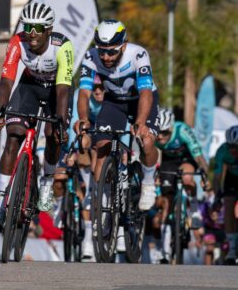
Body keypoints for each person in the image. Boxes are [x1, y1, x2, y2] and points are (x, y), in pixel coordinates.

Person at [0, 2, 73, 231]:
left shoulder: (62, 46)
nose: (32, 33)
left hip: (57, 89)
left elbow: (63, 89)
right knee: (13, 137)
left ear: (48, 29)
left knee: (53, 133)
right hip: (29, 87)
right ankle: (1, 206)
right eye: (28, 27)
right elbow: (6, 80)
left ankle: (46, 180)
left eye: (38, 28)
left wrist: (61, 122)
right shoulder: (18, 41)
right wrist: (1, 112)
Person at [75, 19, 160, 212]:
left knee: (146, 141)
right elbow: (84, 92)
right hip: (114, 102)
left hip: (141, 100)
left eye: (112, 51)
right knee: (101, 147)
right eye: (101, 51)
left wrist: (140, 121)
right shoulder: (90, 56)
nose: (105, 56)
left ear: (124, 45)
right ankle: (105, 205)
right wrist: (83, 118)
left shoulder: (138, 54)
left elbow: (146, 91)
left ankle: (147, 182)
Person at [58, 79, 105, 260]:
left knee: (100, 154)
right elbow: (74, 126)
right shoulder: (82, 94)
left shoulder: (112, 97)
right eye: (95, 87)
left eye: (102, 88)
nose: (98, 91)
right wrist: (72, 150)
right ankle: (87, 238)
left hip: (106, 131)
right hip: (88, 130)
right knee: (83, 143)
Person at [154, 108, 208, 232]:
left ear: (171, 129)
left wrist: (204, 177)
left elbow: (199, 156)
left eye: (165, 132)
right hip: (169, 161)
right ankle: (169, 238)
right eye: (158, 132)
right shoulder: (154, 136)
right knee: (166, 199)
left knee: (187, 178)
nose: (160, 136)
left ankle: (194, 210)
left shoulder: (182, 130)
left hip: (186, 158)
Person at [211, 125, 238, 264]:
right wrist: (217, 196)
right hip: (231, 180)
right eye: (231, 146)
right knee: (228, 206)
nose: (234, 150)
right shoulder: (222, 151)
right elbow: (217, 177)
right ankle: (232, 250)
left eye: (237, 147)